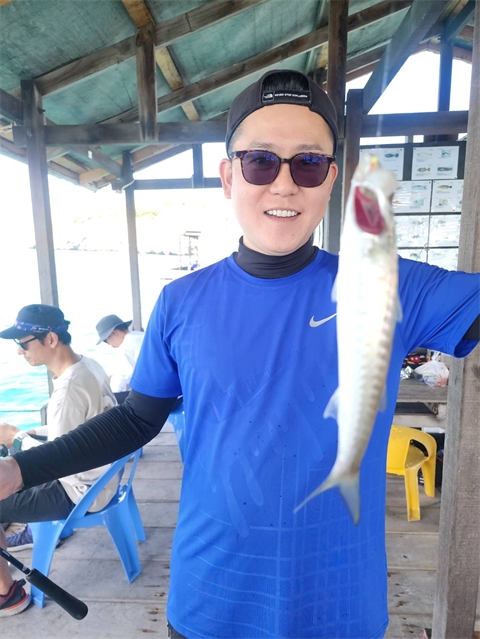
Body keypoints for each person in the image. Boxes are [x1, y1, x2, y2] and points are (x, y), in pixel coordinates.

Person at [0, 70, 479, 636]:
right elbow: (134, 420)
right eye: (260, 161)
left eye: (308, 163)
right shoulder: (179, 300)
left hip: (340, 606)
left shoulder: (392, 286)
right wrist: (18, 470)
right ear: (229, 176)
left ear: (331, 179)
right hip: (210, 600)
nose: (284, 184)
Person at [0, 304, 117, 617]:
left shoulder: (67, 392)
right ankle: (33, 532)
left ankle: (7, 594)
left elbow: (57, 458)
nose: (19, 351)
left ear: (50, 339)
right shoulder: (88, 366)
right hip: (103, 479)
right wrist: (32, 432)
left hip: (78, 490)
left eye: (23, 344)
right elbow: (78, 428)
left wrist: (15, 437)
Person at [95, 314, 144, 398]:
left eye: (106, 341)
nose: (109, 344)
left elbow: (118, 385)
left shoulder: (125, 348)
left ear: (114, 333)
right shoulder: (141, 336)